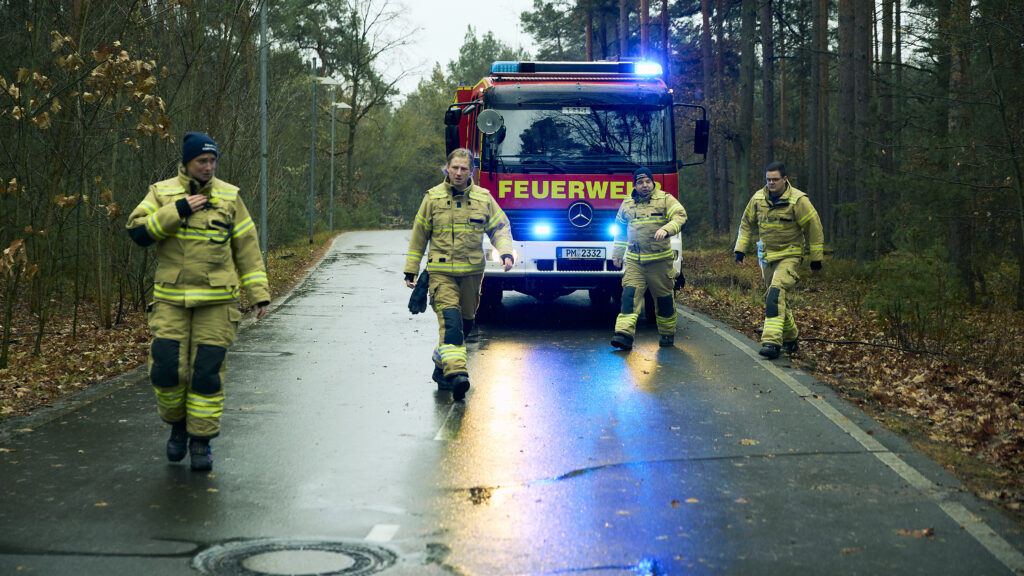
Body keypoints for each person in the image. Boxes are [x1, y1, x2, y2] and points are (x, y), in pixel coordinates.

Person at [126, 132, 270, 471]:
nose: (208, 167)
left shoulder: (230, 196)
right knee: (166, 371)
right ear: (187, 163)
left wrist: (258, 294)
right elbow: (137, 231)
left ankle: (201, 443)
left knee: (206, 374)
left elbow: (247, 249)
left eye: (212, 161)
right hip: (171, 301)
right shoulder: (161, 193)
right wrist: (176, 211)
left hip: (217, 304)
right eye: (201, 161)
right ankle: (178, 427)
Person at [404, 148, 515, 401]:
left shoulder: (483, 198)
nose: (458, 172)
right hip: (440, 274)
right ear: (447, 168)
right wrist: (411, 268)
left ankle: (440, 362)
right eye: (454, 167)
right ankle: (458, 375)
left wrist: (505, 252)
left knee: (465, 325)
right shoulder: (432, 198)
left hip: (472, 275)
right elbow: (419, 235)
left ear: (471, 171)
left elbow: (500, 227)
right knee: (451, 324)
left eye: (464, 169)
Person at [734, 161, 824, 359]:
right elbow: (746, 223)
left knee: (774, 295)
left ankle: (772, 343)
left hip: (790, 255)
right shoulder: (758, 198)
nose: (771, 183)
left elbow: (814, 228)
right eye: (768, 180)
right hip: (766, 256)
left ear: (785, 179)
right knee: (777, 299)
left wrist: (816, 259)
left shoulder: (798, 200)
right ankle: (791, 338)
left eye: (775, 180)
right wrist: (740, 250)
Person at [610, 167, 688, 350]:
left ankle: (667, 333)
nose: (644, 185)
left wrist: (667, 229)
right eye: (640, 182)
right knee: (629, 296)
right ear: (635, 185)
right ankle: (624, 335)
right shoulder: (627, 203)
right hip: (635, 261)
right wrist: (617, 254)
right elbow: (620, 230)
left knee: (663, 300)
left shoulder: (665, 199)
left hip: (659, 262)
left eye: (647, 182)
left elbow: (680, 216)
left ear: (652, 183)